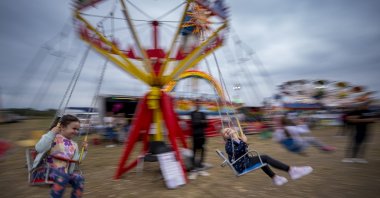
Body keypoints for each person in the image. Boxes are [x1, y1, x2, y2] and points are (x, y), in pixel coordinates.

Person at [222, 128, 313, 186]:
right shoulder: (228, 145)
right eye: (226, 132)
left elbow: (243, 150)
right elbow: (238, 151)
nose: (228, 131)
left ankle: (275, 178)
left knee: (261, 160)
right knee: (264, 158)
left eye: (228, 129)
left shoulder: (235, 141)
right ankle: (291, 170)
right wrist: (244, 141)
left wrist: (240, 140)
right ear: (224, 137)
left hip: (243, 161)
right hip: (242, 165)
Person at [32, 115, 87, 198]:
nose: (76, 131)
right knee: (63, 175)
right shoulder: (51, 137)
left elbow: (77, 160)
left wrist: (84, 151)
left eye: (77, 129)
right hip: (44, 171)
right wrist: (51, 133)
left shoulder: (74, 145)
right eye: (74, 128)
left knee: (79, 178)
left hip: (63, 173)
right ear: (63, 127)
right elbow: (39, 148)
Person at [189, 99, 209, 179]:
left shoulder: (203, 113)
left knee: (202, 150)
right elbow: (194, 124)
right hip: (195, 135)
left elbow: (206, 125)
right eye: (196, 103)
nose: (198, 104)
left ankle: (200, 166)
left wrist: (200, 122)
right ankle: (193, 168)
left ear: (200, 104)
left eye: (199, 103)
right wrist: (201, 122)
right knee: (194, 151)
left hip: (202, 135)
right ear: (195, 104)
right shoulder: (192, 113)